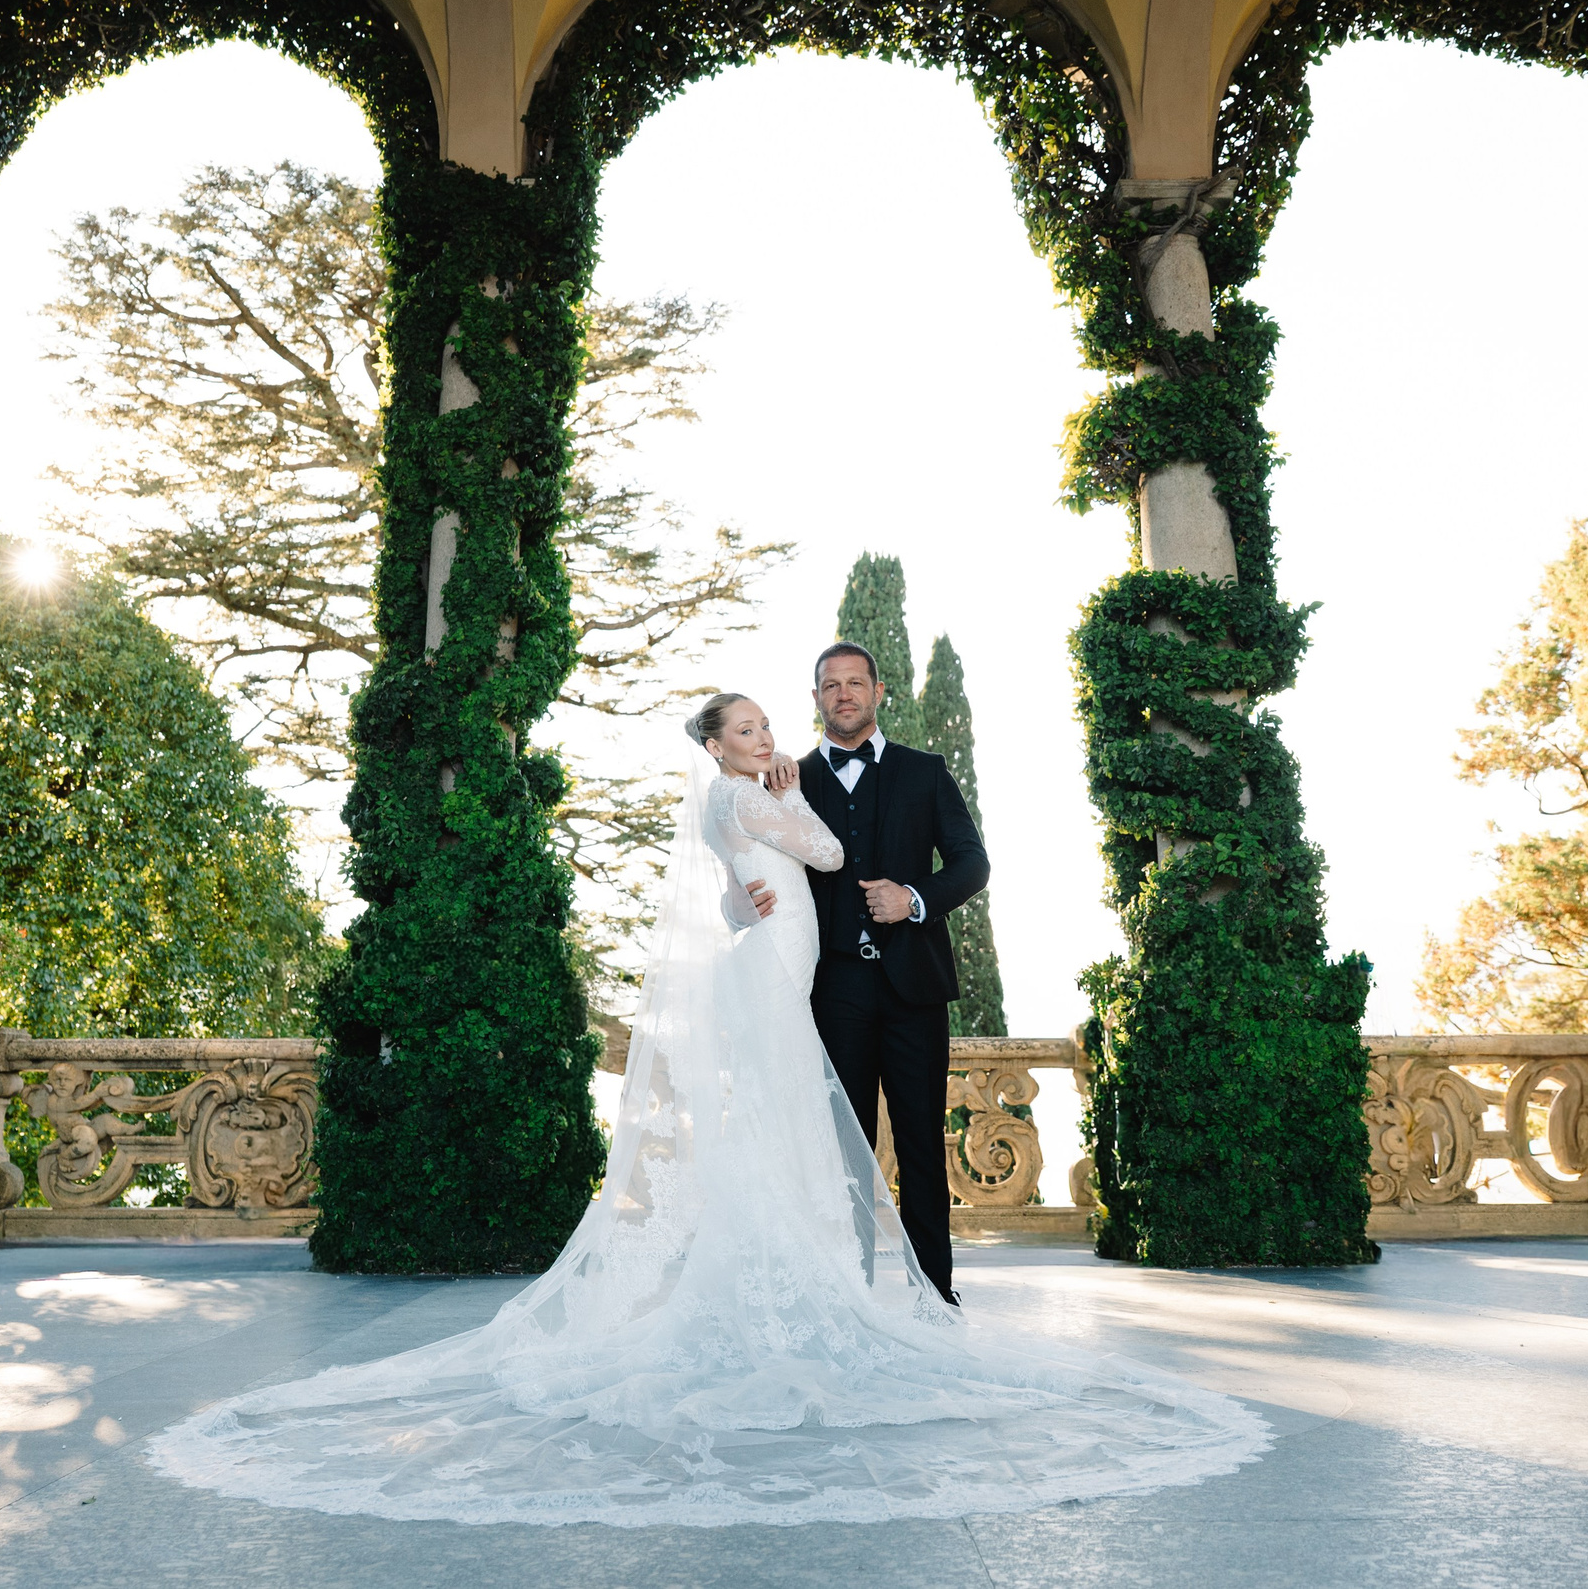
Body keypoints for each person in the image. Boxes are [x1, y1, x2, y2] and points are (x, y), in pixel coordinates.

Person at [147, 692, 1267, 1528]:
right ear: (723, 746)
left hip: (779, 955)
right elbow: (826, 852)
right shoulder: (758, 792)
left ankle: (828, 1278)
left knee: (792, 1131)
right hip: (792, 963)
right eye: (753, 727)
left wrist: (803, 866)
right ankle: (817, 1287)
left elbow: (760, 877)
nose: (772, 734)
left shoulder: (726, 805)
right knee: (799, 1126)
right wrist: (789, 805)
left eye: (775, 722)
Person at [725, 642, 984, 1304]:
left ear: (878, 691)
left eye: (854, 683)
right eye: (830, 685)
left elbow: (970, 862)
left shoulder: (925, 772)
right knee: (843, 1150)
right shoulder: (786, 782)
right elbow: (745, 869)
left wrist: (914, 899)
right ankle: (853, 1301)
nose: (843, 694)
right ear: (815, 698)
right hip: (832, 990)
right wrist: (739, 904)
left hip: (915, 988)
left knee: (924, 1148)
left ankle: (935, 1301)